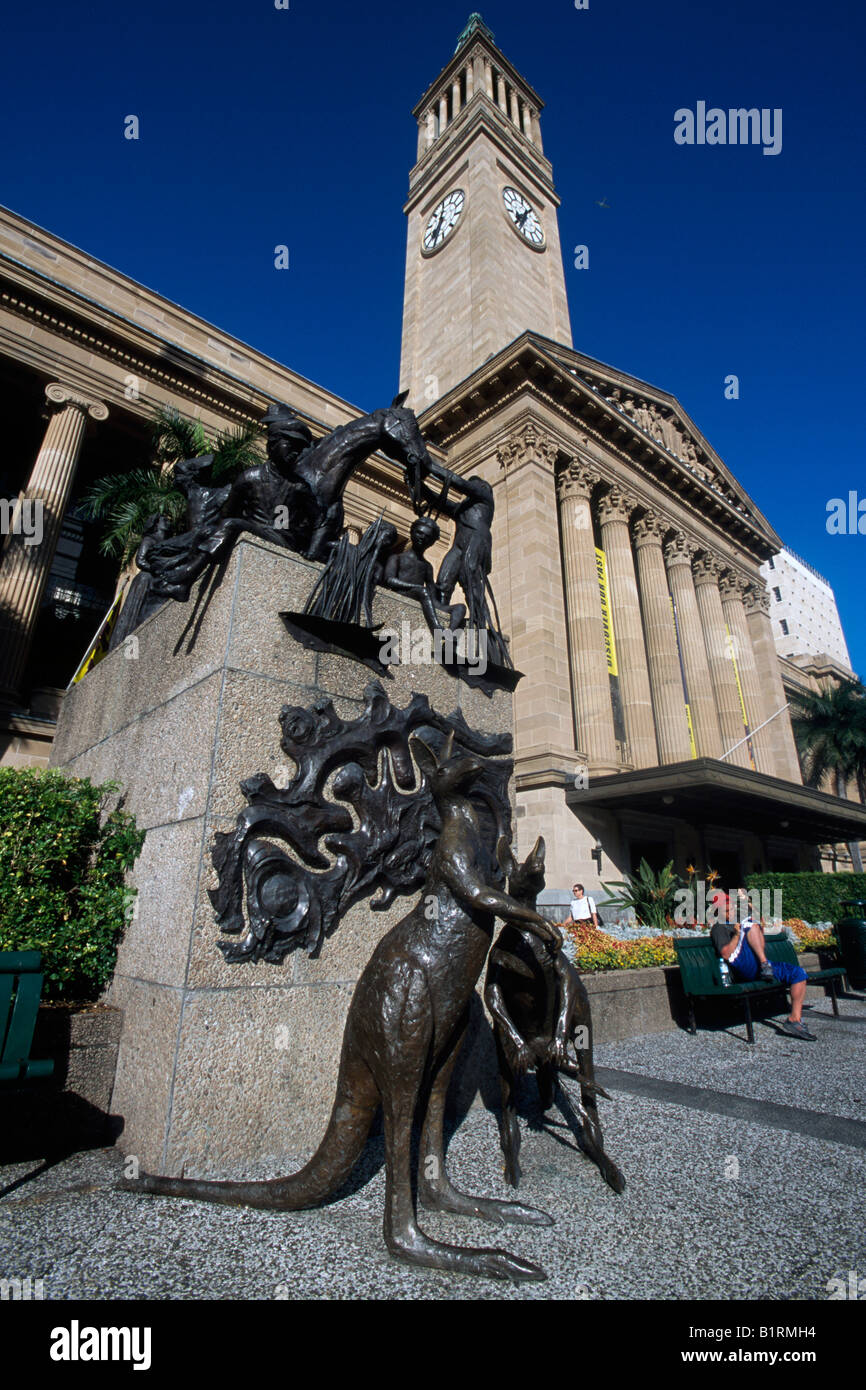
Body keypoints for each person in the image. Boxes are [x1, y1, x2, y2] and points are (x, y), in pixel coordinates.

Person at [710, 890, 815, 1040]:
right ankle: (765, 964)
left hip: (757, 963)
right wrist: (737, 935)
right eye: (726, 910)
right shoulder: (719, 928)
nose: (730, 912)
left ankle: (794, 1019)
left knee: (798, 973)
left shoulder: (738, 920)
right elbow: (726, 954)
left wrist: (746, 899)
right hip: (742, 965)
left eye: (731, 908)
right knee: (751, 924)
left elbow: (758, 918)